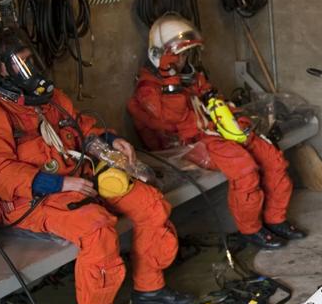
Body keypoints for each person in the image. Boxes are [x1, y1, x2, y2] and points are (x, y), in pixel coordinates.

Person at [0, 26, 192, 304]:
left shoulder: (49, 100)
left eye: (30, 61)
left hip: (75, 179)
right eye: (19, 64)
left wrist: (110, 141)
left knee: (150, 203)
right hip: (27, 199)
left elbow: (81, 129)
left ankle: (150, 287)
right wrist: (59, 183)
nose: (29, 70)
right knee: (96, 227)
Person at [127, 15, 304, 251]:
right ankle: (251, 229)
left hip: (216, 133)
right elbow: (172, 120)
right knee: (245, 169)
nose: (182, 60)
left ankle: (275, 218)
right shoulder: (149, 89)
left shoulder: (192, 76)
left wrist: (239, 121)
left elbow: (217, 101)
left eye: (185, 54)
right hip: (190, 144)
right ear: (161, 55)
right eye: (177, 55)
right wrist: (171, 81)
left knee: (273, 158)